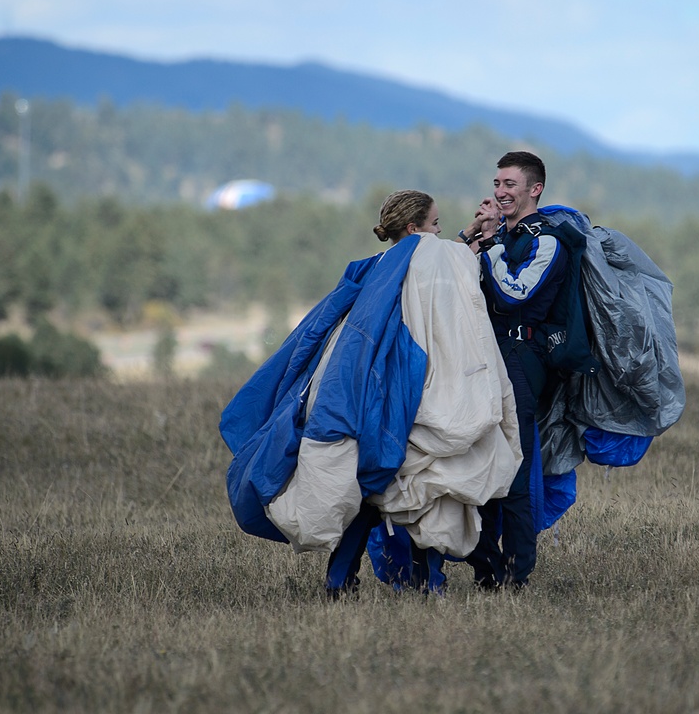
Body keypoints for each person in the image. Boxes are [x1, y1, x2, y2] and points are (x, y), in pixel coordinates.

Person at [221, 189, 520, 600]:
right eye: (434, 224)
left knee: (366, 494)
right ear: (414, 229)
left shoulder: (377, 268)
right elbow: (450, 268)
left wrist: (469, 233)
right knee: (427, 489)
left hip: (366, 397)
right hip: (414, 389)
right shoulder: (430, 258)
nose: (438, 232)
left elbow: (443, 258)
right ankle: (429, 583)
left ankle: (339, 582)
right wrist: (477, 238)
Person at [457, 151, 569, 590]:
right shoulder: (500, 237)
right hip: (489, 357)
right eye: (497, 184)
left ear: (534, 189)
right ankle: (486, 569)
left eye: (510, 185)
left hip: (522, 360)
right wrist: (478, 236)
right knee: (481, 461)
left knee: (514, 466)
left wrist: (494, 243)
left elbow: (514, 293)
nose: (500, 192)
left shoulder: (548, 241)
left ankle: (515, 573)